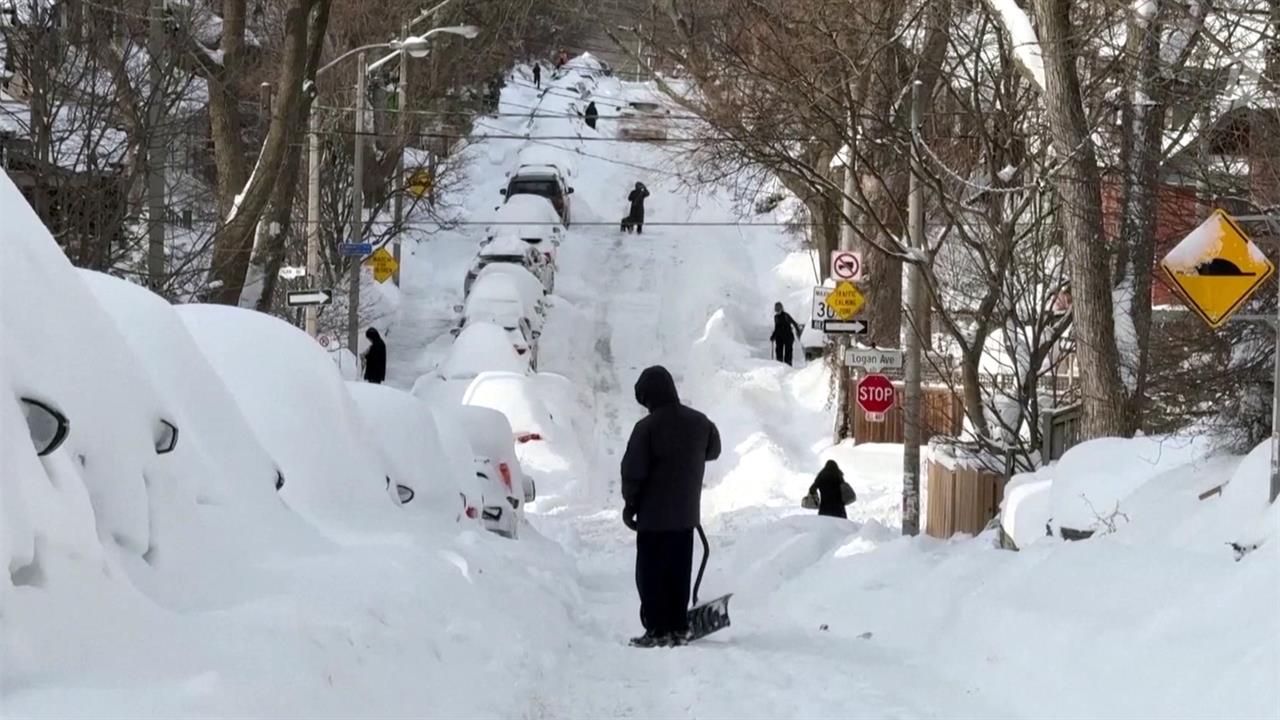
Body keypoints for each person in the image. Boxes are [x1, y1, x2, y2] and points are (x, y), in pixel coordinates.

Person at [622, 366, 721, 648]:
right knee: (679, 572)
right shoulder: (700, 422)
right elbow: (713, 450)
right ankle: (677, 626)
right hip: (686, 517)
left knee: (651, 575)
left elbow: (633, 471)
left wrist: (630, 505)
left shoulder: (646, 428)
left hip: (653, 518)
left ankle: (656, 629)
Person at [770, 302, 804, 366]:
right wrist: (773, 336)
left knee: (788, 354)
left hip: (788, 337)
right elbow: (776, 328)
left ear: (782, 309)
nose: (778, 312)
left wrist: (799, 332)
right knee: (779, 353)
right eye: (776, 310)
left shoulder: (786, 316)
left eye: (779, 310)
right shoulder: (776, 317)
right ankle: (779, 366)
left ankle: (788, 367)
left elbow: (794, 323)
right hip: (779, 338)